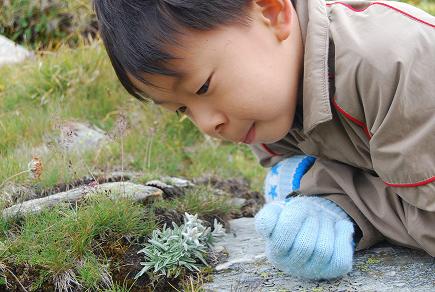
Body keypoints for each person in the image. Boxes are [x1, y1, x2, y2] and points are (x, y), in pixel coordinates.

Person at [93, 0, 435, 280]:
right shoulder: (267, 109)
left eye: (203, 88)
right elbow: (289, 170)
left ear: (273, 13)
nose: (209, 124)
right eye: (183, 109)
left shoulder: (389, 65)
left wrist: (341, 203)